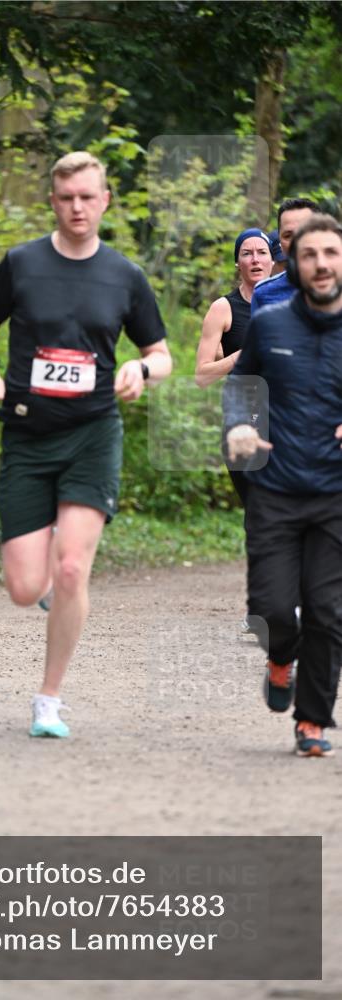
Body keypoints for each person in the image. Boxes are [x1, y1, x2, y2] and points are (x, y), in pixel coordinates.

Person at [0, 151, 172, 738]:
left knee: (74, 566)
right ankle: (51, 571)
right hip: (27, 436)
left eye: (87, 196)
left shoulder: (126, 276)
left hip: (93, 432)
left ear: (105, 200)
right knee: (24, 588)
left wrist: (141, 369)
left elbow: (161, 354)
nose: (77, 207)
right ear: (52, 201)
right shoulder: (22, 263)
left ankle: (48, 700)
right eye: (66, 198)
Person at [225, 214, 342, 757]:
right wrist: (239, 426)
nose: (321, 263)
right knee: (272, 608)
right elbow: (240, 386)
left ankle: (313, 720)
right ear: (293, 263)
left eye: (331, 253)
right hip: (275, 489)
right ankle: (279, 658)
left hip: (335, 493)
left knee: (327, 610)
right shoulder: (270, 324)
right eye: (310, 254)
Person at [195, 228, 273, 504]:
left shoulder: (291, 304)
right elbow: (201, 376)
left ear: (273, 260)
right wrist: (240, 356)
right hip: (243, 419)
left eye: (262, 252)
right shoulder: (223, 308)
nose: (255, 259)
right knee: (258, 507)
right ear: (237, 263)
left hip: (286, 418)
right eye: (247, 254)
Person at [251, 198, 318, 314]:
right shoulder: (264, 294)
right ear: (280, 243)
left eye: (304, 232)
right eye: (288, 236)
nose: (297, 241)